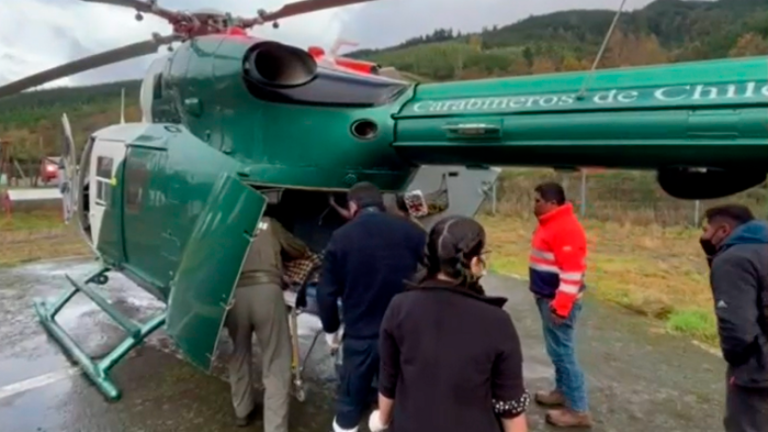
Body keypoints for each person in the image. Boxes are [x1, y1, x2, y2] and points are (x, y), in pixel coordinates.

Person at [367, 216, 530, 432]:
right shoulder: (497, 321)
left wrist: (381, 420)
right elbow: (510, 406)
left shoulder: (399, 307)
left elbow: (389, 380)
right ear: (474, 263)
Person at [316, 181, 426, 432]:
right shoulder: (410, 231)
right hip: (401, 334)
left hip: (360, 338)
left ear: (353, 206)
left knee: (349, 403)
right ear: (381, 204)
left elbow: (326, 293)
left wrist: (331, 329)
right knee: (401, 398)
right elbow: (434, 270)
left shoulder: (341, 237)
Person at [224, 212, 311, 430]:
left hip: (233, 295)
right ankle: (274, 427)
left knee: (239, 351)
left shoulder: (226, 223)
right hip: (267, 293)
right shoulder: (269, 224)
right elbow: (297, 248)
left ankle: (242, 410)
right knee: (276, 359)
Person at [699, 204, 768, 432]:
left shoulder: (734, 259)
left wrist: (744, 367)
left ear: (724, 230)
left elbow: (737, 327)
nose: (704, 235)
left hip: (758, 374)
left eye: (707, 229)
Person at [528, 182, 591, 427]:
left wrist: (561, 305)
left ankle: (578, 410)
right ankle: (562, 392)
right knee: (557, 350)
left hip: (557, 302)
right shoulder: (551, 224)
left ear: (552, 203)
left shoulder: (564, 228)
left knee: (563, 353)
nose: (534, 205)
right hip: (548, 298)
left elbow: (573, 271)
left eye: (537, 200)